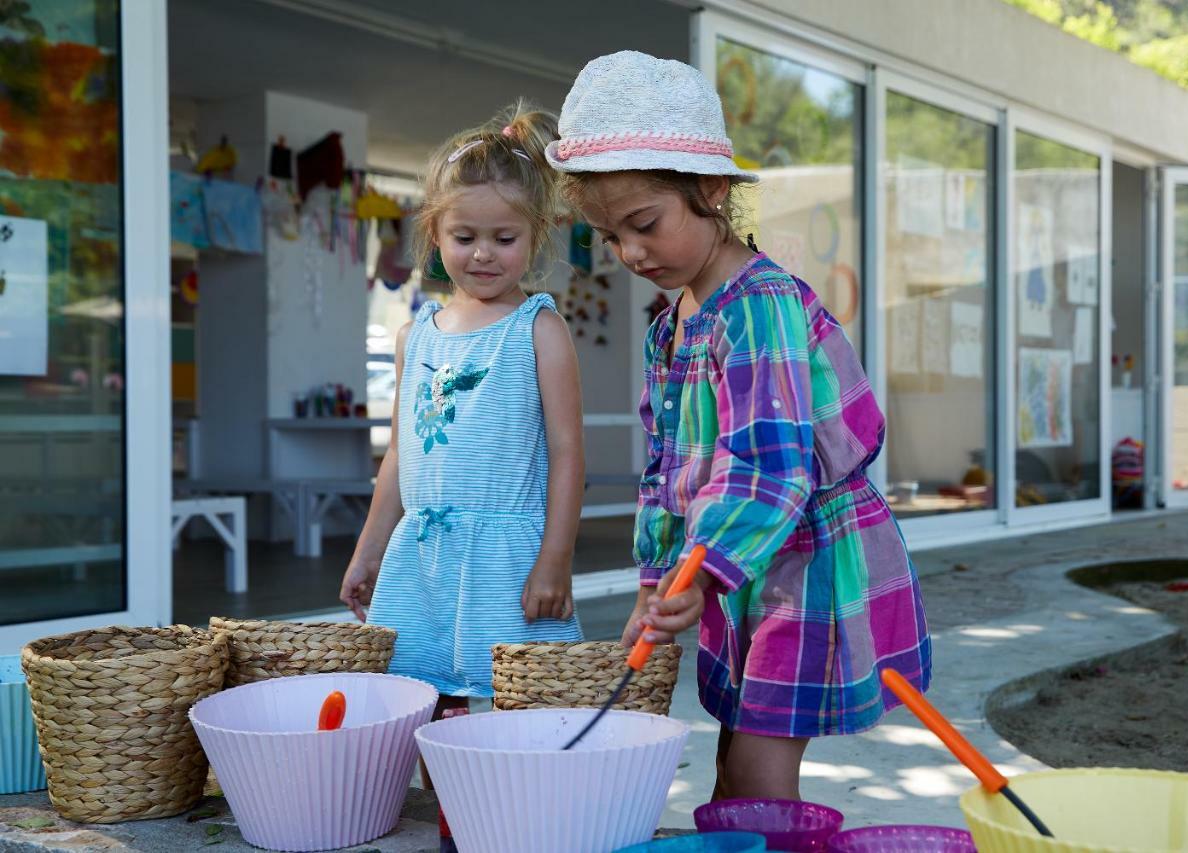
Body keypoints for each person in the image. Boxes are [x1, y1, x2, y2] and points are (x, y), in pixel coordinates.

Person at [547, 52, 932, 801]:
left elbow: (768, 465)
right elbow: (670, 469)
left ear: (713, 190)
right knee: (731, 772)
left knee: (756, 776)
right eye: (609, 235)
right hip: (740, 565)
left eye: (644, 224)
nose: (629, 252)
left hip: (800, 564)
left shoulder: (756, 305)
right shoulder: (673, 321)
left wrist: (707, 567)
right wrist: (655, 581)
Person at [340, 100, 585, 713]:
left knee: (519, 694)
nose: (483, 254)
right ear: (434, 234)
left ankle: (502, 809)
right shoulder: (415, 334)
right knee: (424, 694)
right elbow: (400, 453)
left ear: (536, 237)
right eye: (464, 237)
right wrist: (369, 550)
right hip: (422, 553)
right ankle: (446, 807)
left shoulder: (538, 329)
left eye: (504, 239)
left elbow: (567, 454)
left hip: (507, 555)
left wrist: (555, 558)